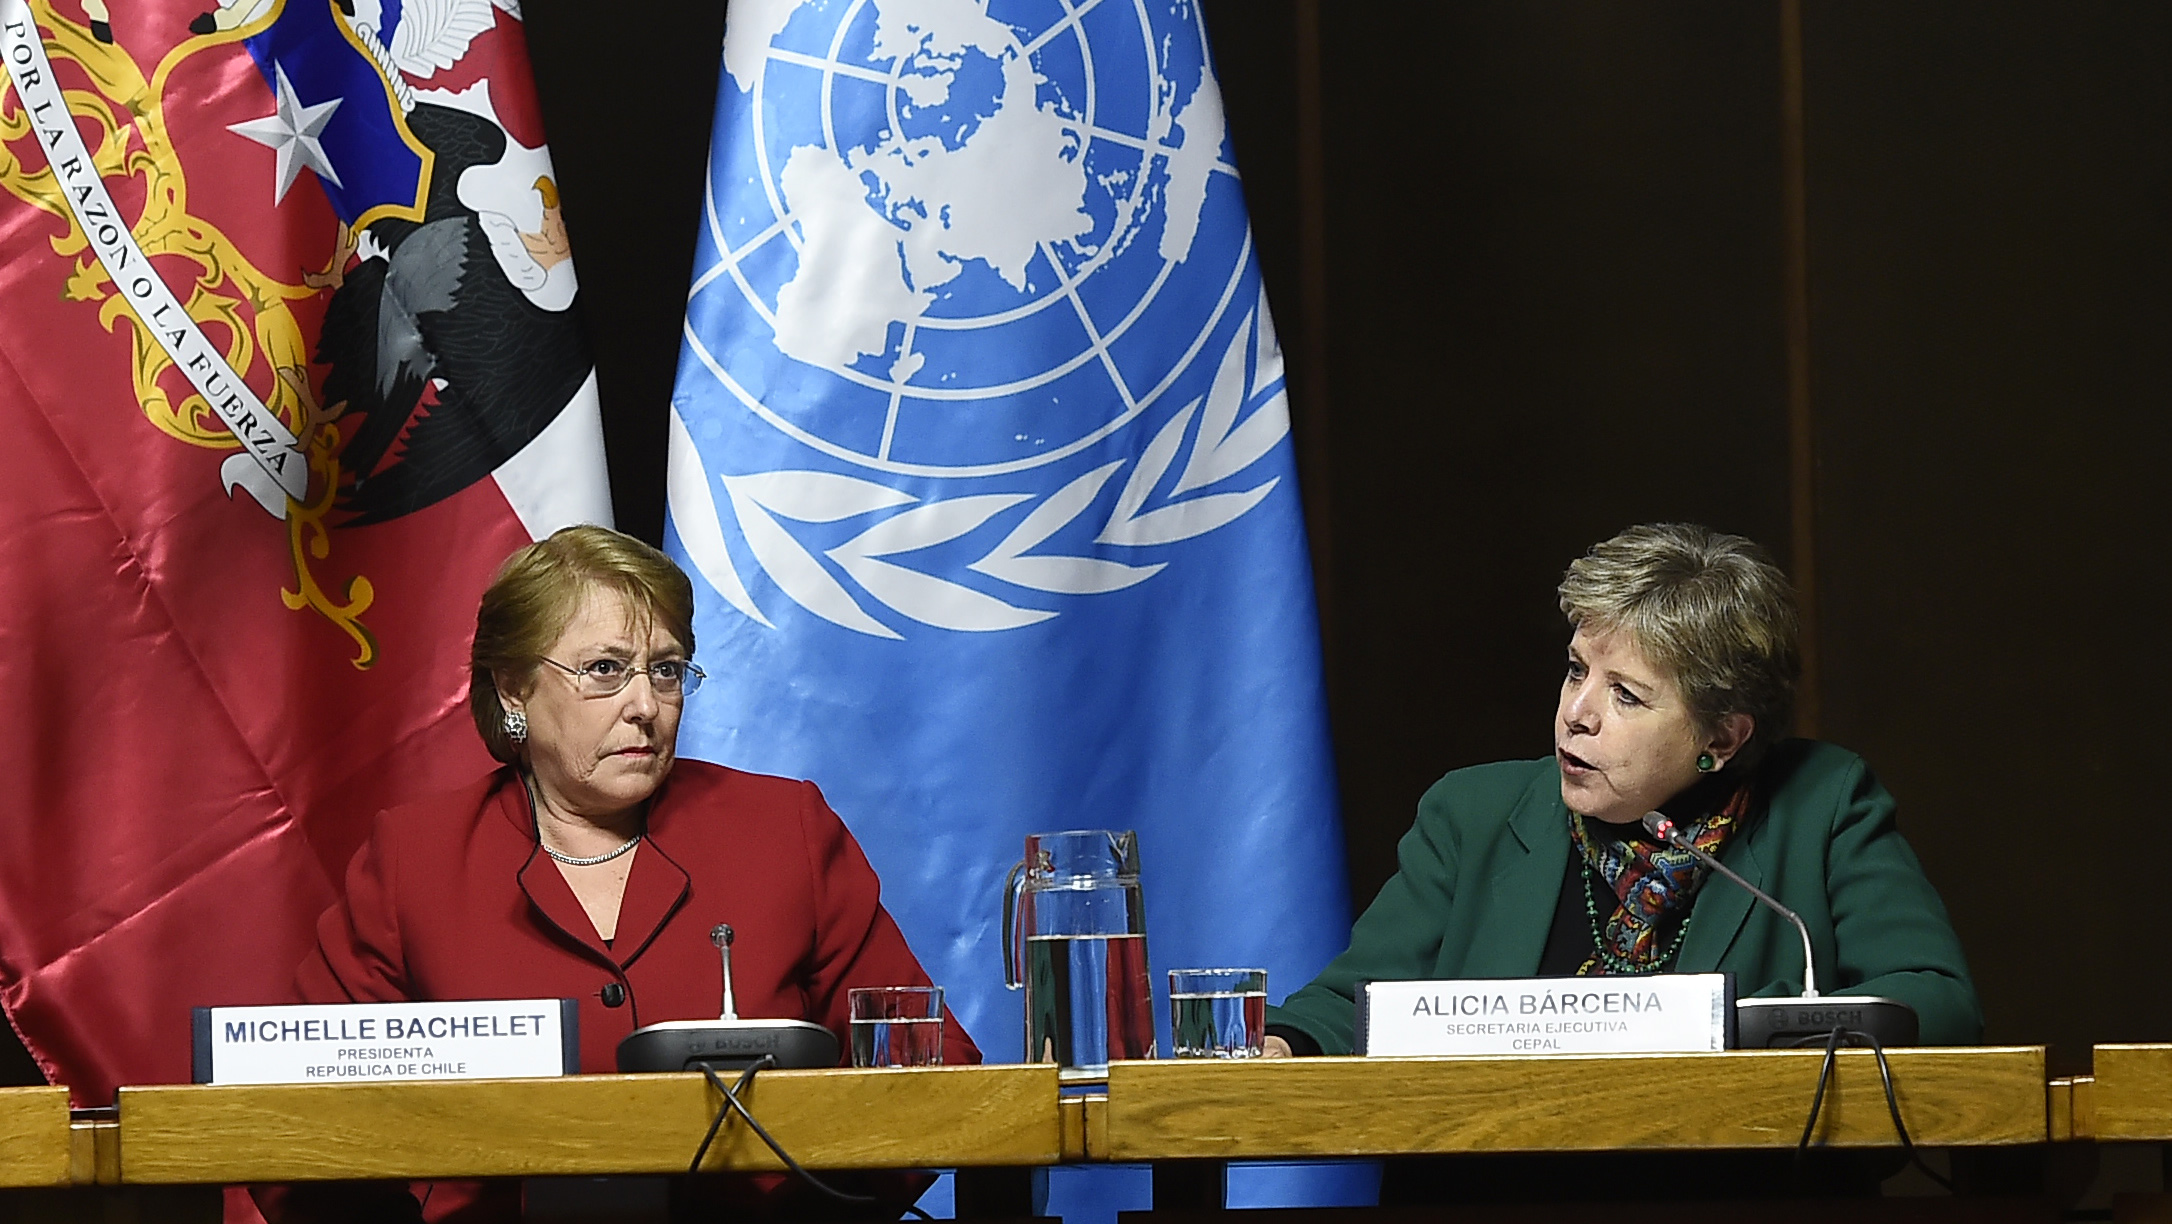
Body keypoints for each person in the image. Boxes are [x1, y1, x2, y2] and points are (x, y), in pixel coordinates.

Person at [286, 524, 975, 1220]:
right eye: (606, 669)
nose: (645, 705)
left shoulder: (782, 829)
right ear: (514, 688)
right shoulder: (415, 858)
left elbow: (929, 1064)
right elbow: (295, 1114)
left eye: (667, 670)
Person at [1267, 523, 1981, 1059]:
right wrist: (1285, 1044)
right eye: (1578, 671)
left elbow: (1935, 1002)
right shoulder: (1471, 816)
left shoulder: (1822, 805)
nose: (1579, 713)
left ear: (1722, 738)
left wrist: (1728, 1027)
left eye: (1628, 696)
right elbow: (1349, 1006)